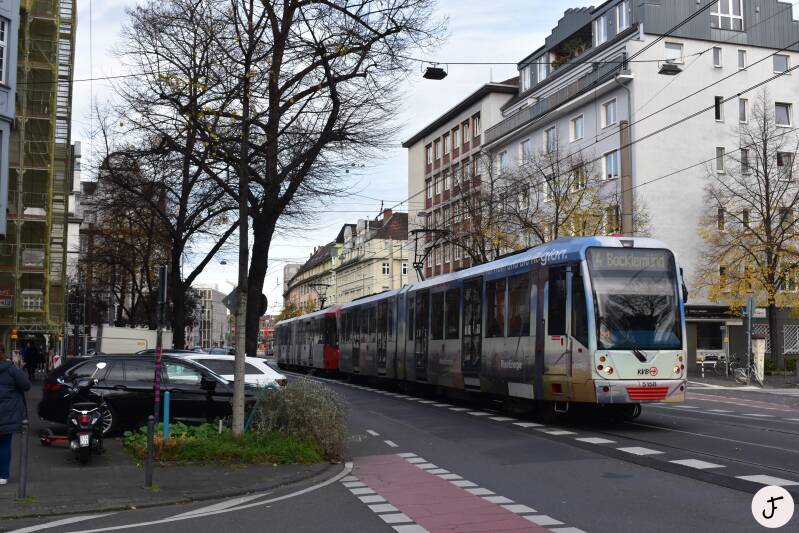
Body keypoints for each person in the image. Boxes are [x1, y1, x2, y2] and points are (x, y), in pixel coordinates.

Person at [0, 344, 31, 485]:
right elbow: (26, 385)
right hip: (8, 413)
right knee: (5, 444)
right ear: (3, 352)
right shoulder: (11, 369)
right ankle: (3, 476)